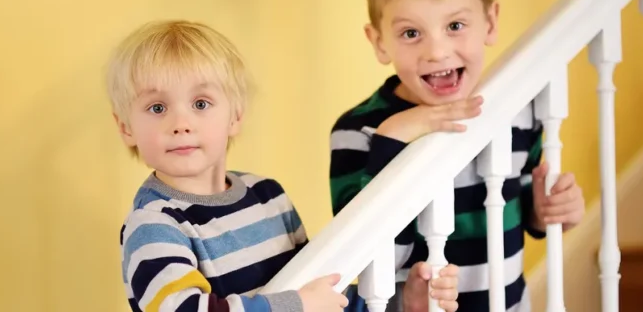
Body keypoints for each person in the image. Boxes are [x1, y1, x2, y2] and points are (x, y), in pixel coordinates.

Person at [106, 20, 459, 312]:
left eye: (200, 103)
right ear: (125, 128)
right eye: (157, 108)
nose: (180, 123)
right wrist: (296, 305)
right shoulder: (154, 224)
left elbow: (319, 293)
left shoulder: (268, 196)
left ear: (235, 117)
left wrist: (403, 301)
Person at [329, 0, 586, 312]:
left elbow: (522, 207)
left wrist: (547, 210)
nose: (437, 51)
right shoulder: (357, 131)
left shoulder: (517, 107)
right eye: (412, 33)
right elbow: (365, 260)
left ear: (491, 21)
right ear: (380, 42)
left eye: (455, 26)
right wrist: (393, 139)